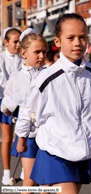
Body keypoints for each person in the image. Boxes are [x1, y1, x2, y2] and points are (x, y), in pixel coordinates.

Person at [16, 13, 91, 194]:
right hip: (55, 150)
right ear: (57, 41)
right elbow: (29, 109)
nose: (77, 43)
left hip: (82, 150)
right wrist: (21, 137)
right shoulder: (47, 77)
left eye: (82, 37)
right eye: (71, 37)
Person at [1, 32, 49, 190]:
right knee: (30, 180)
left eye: (44, 52)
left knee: (46, 182)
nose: (42, 56)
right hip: (28, 135)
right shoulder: (16, 77)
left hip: (49, 134)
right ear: (24, 53)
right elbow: (7, 103)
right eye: (37, 52)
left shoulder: (49, 74)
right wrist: (8, 107)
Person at [0, 27, 23, 185]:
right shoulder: (1, 59)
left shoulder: (23, 58)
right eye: (15, 41)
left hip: (23, 102)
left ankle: (25, 168)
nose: (18, 44)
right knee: (8, 138)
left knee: (24, 136)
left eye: (20, 41)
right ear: (5, 42)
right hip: (5, 101)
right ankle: (6, 173)